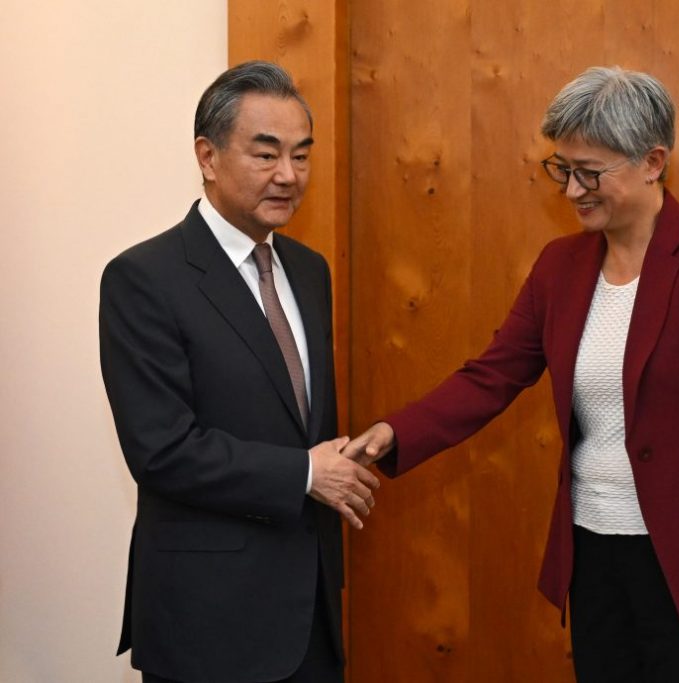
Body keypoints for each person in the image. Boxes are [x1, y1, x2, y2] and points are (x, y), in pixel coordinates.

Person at [343, 66, 679, 682]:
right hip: (595, 558)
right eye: (563, 169)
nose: (573, 190)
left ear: (653, 162)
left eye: (590, 172)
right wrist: (394, 432)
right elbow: (490, 376)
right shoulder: (560, 267)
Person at [99, 61, 379, 683]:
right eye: (266, 154)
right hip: (206, 621)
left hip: (309, 616)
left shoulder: (308, 270)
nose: (288, 175)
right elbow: (161, 450)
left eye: (301, 156)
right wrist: (307, 472)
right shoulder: (144, 279)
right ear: (208, 155)